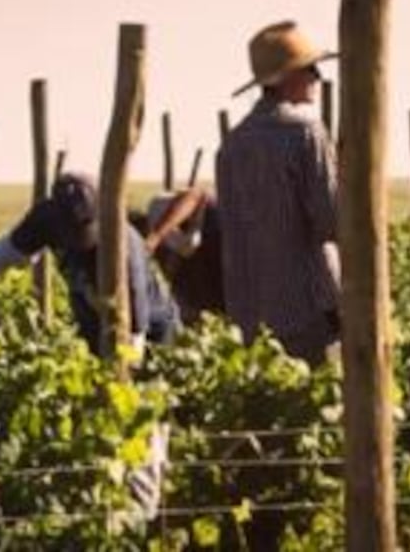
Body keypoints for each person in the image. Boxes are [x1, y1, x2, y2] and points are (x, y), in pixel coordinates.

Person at [218, 20, 340, 367]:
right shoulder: (307, 132)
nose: (317, 76)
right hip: (309, 309)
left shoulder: (232, 145)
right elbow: (332, 221)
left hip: (250, 314)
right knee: (324, 392)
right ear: (287, 77)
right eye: (309, 68)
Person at [0, 172, 180, 355]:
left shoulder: (124, 245)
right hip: (92, 324)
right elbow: (10, 250)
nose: (79, 243)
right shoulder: (45, 219)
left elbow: (135, 331)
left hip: (153, 333)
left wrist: (121, 380)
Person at [131, 186, 226, 324]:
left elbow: (195, 195)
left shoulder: (156, 214)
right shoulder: (165, 272)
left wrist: (156, 236)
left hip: (223, 231)